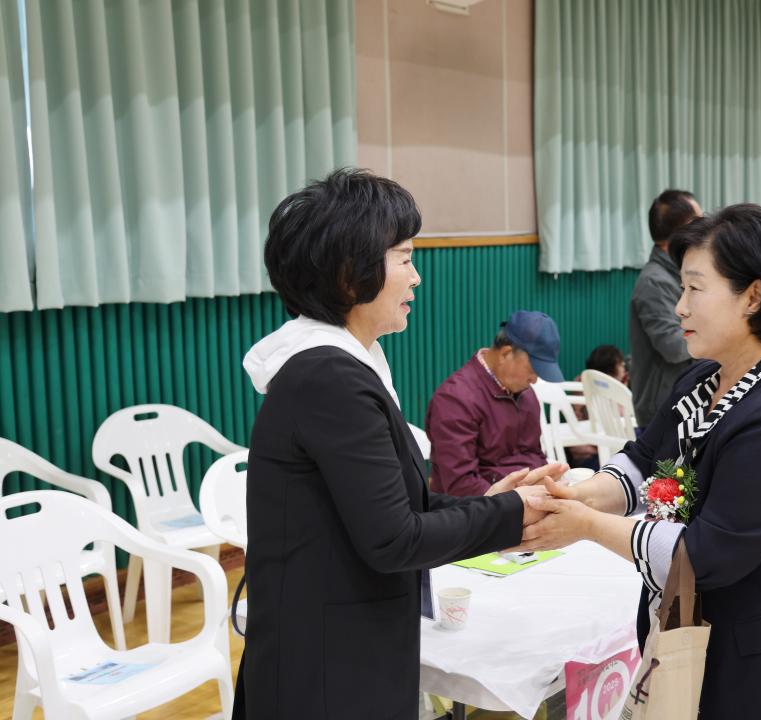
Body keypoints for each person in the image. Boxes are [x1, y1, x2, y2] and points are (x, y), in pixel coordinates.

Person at [517, 204, 761, 718]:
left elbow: (703, 556)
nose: (680, 307)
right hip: (708, 652)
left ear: (753, 296)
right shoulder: (701, 384)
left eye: (695, 289)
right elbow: (649, 467)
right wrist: (578, 494)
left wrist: (588, 526)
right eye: (681, 288)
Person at [237, 169, 566, 719]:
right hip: (326, 666)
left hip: (340, 644)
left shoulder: (347, 366)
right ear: (350, 275)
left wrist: (495, 504)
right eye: (405, 258)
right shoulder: (329, 378)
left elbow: (390, 502)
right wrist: (508, 513)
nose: (416, 278)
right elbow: (393, 538)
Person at [426, 311, 561, 496]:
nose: (535, 380)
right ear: (506, 353)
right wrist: (519, 503)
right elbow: (461, 484)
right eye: (533, 370)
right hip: (477, 510)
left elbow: (534, 454)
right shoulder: (455, 399)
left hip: (524, 499)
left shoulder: (526, 395)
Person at [630, 189, 701, 427]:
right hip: (662, 413)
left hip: (681, 403)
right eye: (699, 223)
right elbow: (674, 347)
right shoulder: (655, 282)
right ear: (685, 229)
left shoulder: (679, 274)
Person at [568, 344, 630, 469]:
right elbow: (622, 424)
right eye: (621, 365)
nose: (624, 369)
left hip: (577, 452)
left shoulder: (580, 382)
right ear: (612, 367)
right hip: (598, 455)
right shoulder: (612, 390)